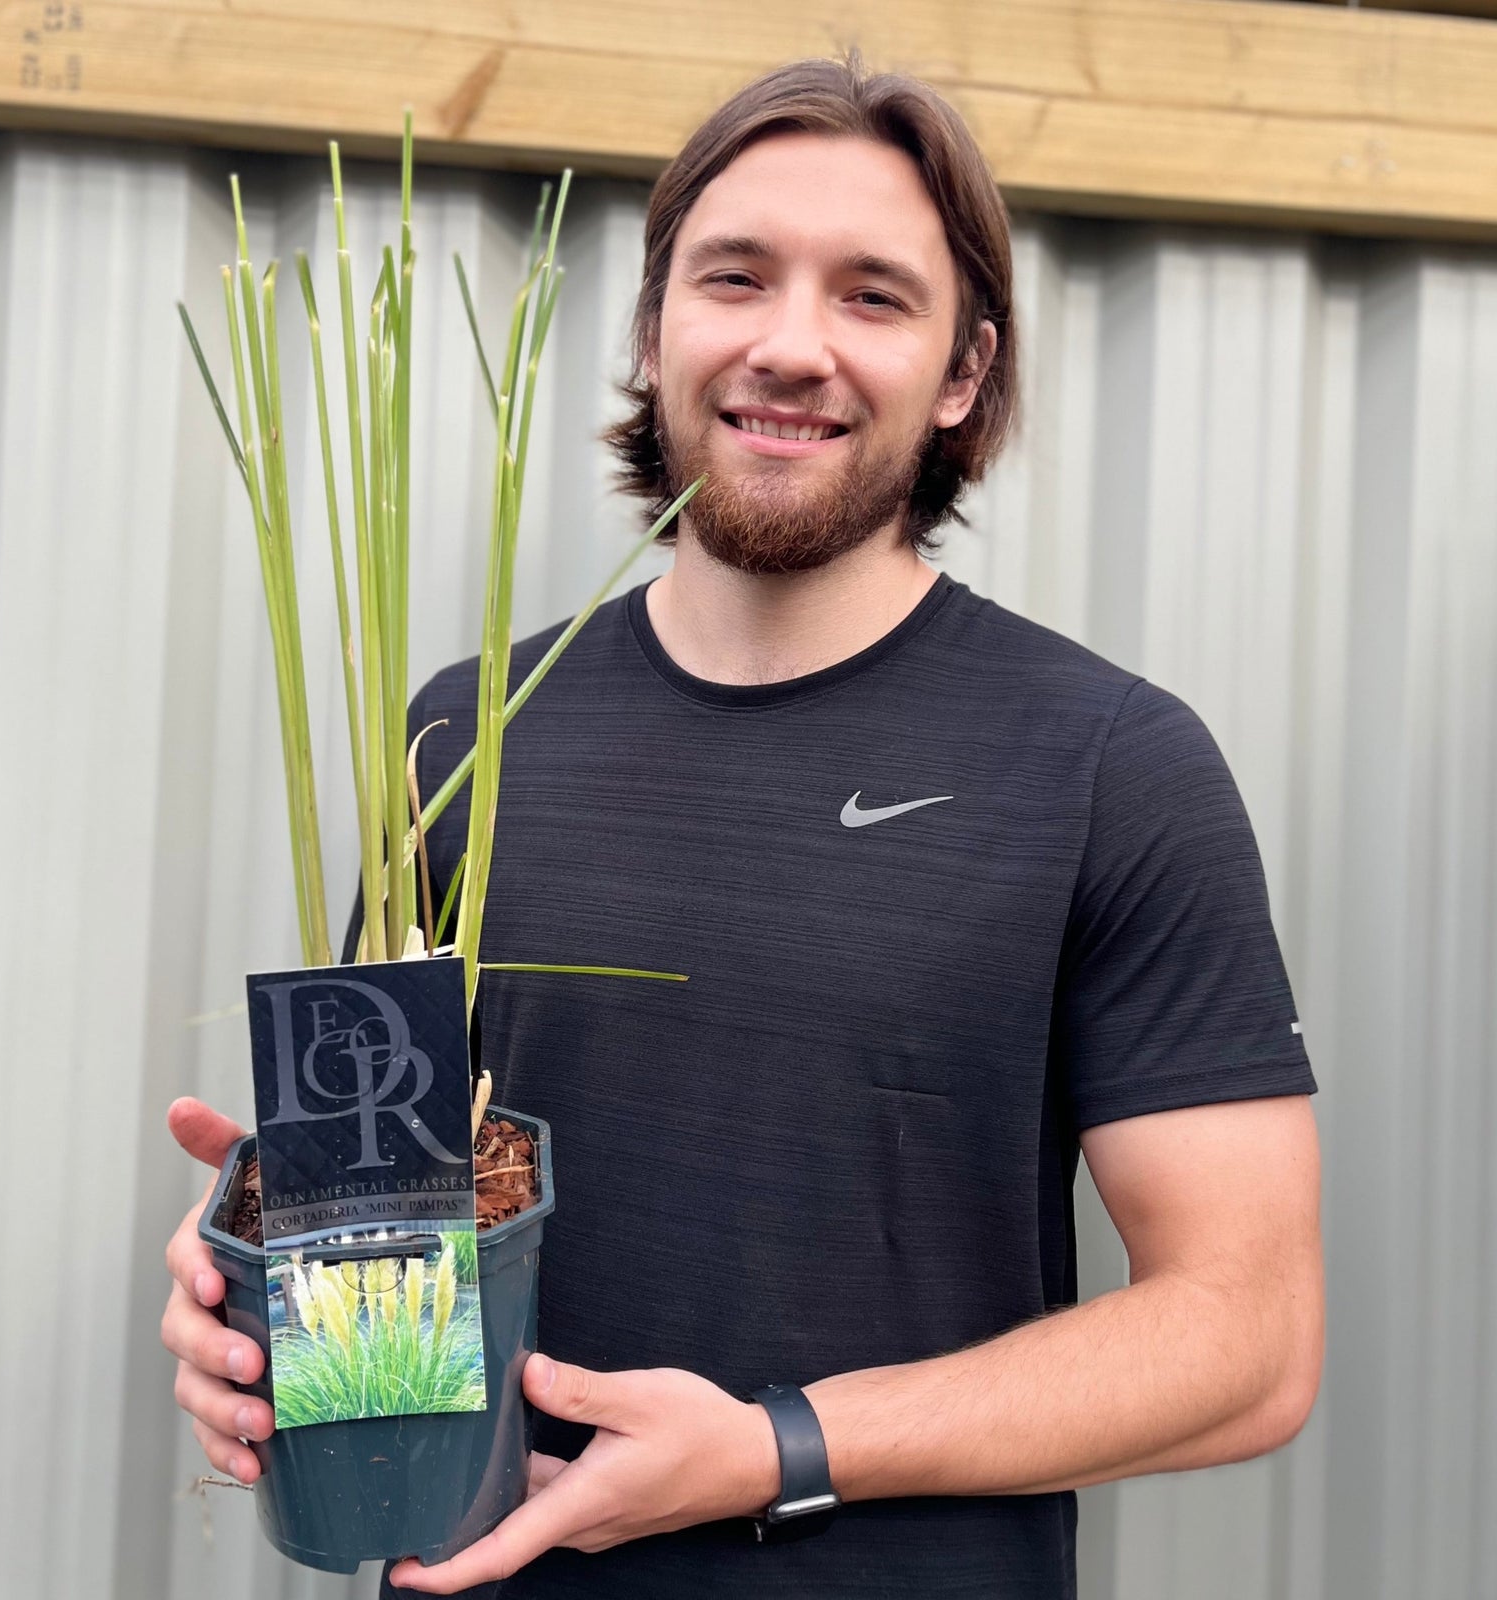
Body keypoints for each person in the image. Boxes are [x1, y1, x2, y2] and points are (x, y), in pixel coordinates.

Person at [162, 55, 1323, 1600]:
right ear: (656, 328)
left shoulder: (1109, 763)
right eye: (737, 277)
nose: (791, 346)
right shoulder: (464, 733)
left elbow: (1249, 1342)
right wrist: (266, 1286)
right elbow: (415, 1190)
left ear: (963, 372)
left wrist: (780, 1445)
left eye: (872, 297)